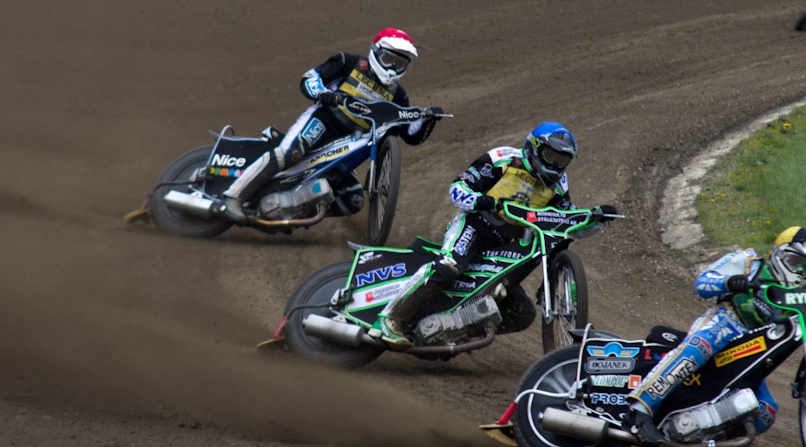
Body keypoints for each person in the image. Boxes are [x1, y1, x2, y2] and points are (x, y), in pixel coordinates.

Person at [377, 121, 613, 348]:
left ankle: (452, 332)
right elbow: (457, 188)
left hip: (505, 243)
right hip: (475, 225)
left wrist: (597, 219)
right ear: (535, 148)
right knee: (449, 266)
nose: (556, 165)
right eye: (551, 157)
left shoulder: (559, 184)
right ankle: (389, 319)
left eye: (563, 160)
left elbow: (565, 221)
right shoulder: (504, 159)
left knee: (522, 311)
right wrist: (486, 202)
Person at [621, 227, 806, 444]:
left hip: (750, 352)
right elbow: (702, 283)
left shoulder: (798, 298)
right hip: (724, 323)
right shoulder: (749, 261)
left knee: (765, 412)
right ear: (778, 253)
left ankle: (694, 433)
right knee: (699, 346)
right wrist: (729, 282)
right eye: (796, 262)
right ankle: (639, 410)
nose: (801, 272)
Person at [218, 28, 439, 221]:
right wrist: (323, 93)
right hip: (325, 121)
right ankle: (233, 196)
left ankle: (288, 210)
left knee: (352, 200)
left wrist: (426, 120)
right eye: (389, 58)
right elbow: (309, 78)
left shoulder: (399, 96)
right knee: (290, 153)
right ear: (376, 51)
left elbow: (410, 135)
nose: (393, 66)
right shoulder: (349, 63)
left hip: (352, 141)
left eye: (400, 62)